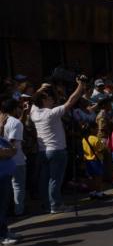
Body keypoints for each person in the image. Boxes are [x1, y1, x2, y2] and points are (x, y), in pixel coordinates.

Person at [31, 76, 86, 213]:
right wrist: (80, 86)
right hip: (57, 150)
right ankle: (56, 205)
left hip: (43, 151)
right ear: (43, 100)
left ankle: (46, 204)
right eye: (49, 98)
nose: (52, 99)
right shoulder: (51, 113)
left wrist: (43, 88)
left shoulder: (34, 113)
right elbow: (71, 101)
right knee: (55, 179)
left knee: (45, 179)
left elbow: (34, 99)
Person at [0, 98, 27, 218]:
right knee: (18, 185)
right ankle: (18, 210)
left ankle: (10, 209)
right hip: (16, 159)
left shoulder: (3, 120)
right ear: (15, 108)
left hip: (3, 159)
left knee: (7, 187)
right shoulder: (16, 122)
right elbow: (13, 142)